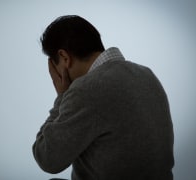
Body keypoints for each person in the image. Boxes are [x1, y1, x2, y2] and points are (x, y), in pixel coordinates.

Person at [32, 15, 174, 180]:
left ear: (64, 58)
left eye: (55, 67)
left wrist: (62, 97)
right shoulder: (146, 73)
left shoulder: (85, 90)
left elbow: (47, 158)